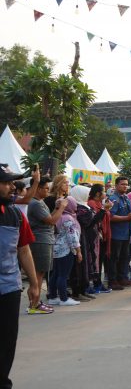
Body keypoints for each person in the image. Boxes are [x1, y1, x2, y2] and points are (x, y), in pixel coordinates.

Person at [0, 164, 39, 389]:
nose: (11, 187)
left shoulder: (15, 214)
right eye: (5, 183)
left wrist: (34, 284)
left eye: (11, 182)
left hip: (9, 288)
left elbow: (23, 249)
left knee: (6, 341)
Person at [25, 176, 64, 314]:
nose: (48, 191)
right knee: (37, 275)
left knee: (39, 273)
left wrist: (57, 208)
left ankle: (35, 303)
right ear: (39, 188)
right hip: (40, 240)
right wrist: (62, 208)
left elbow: (48, 218)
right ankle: (34, 305)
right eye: (46, 188)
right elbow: (51, 221)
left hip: (44, 239)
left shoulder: (39, 202)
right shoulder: (35, 204)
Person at [48, 196, 82, 306]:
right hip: (66, 250)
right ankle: (64, 298)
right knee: (63, 275)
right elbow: (72, 236)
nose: (76, 205)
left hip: (56, 249)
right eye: (74, 203)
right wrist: (78, 250)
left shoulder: (57, 216)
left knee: (56, 274)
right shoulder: (68, 218)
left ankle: (52, 296)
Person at [108, 177, 131, 290]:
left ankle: (122, 278)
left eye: (126, 184)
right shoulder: (113, 199)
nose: (125, 186)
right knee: (114, 258)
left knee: (125, 257)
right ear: (116, 185)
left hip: (126, 233)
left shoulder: (126, 198)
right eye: (122, 184)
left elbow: (129, 213)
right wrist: (127, 217)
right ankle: (113, 280)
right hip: (116, 234)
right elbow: (110, 216)